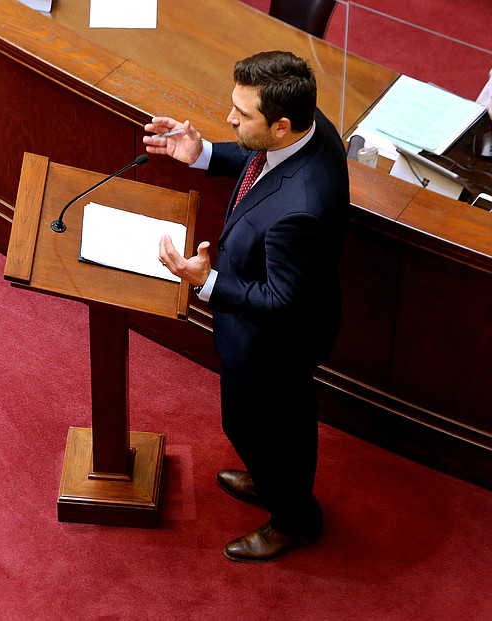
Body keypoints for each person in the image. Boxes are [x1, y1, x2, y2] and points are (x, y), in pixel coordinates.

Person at [143, 50, 350, 562]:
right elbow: (261, 165)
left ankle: (295, 519)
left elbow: (281, 300)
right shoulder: (307, 123)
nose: (230, 118)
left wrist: (206, 280)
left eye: (243, 114)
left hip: (274, 344)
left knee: (260, 428)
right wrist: (203, 154)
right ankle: (271, 479)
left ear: (280, 124)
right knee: (270, 430)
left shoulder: (303, 208)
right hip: (275, 328)